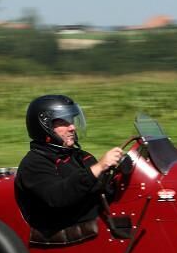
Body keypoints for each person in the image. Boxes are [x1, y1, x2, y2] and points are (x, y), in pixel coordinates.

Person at [16, 94, 124, 238]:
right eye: (63, 122)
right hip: (61, 228)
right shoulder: (34, 163)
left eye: (72, 120)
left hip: (91, 216)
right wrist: (98, 167)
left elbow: (100, 185)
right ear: (45, 127)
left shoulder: (80, 156)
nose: (72, 127)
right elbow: (58, 196)